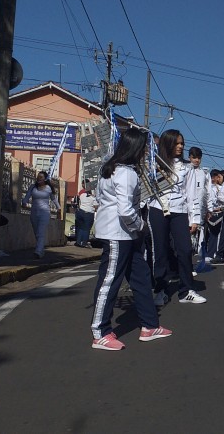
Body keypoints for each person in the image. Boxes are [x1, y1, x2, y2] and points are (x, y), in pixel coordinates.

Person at [90, 127, 171, 351]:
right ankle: (100, 332)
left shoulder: (110, 168)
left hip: (123, 233)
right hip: (119, 234)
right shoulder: (126, 173)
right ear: (136, 148)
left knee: (141, 277)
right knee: (110, 281)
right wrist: (141, 226)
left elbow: (103, 199)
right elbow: (125, 210)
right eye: (145, 147)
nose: (147, 151)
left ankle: (149, 325)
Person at [148, 129, 206, 306]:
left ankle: (186, 290)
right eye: (177, 143)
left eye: (182, 143)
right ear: (168, 143)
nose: (180, 146)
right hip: (157, 209)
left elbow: (192, 195)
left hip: (180, 212)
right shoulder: (153, 163)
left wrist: (194, 218)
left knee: (185, 249)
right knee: (160, 251)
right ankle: (161, 290)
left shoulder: (187, 168)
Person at [22, 171, 57, 258]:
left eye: (41, 177)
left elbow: (54, 199)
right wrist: (24, 202)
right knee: (37, 232)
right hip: (34, 212)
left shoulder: (49, 188)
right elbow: (27, 196)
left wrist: (59, 207)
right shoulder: (33, 187)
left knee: (40, 232)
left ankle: (38, 251)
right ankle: (41, 250)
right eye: (38, 177)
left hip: (44, 212)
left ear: (45, 179)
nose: (39, 178)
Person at [74, 180, 98, 248]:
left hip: (80, 211)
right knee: (87, 229)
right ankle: (84, 243)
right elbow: (96, 206)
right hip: (88, 213)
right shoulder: (93, 197)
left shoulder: (81, 195)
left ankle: (78, 241)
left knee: (81, 228)